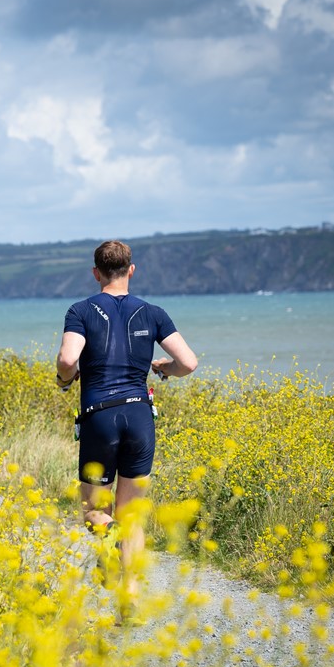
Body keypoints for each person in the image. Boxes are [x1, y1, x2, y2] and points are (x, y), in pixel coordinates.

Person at [56, 240, 197, 613]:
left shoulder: (81, 310)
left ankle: (109, 539)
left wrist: (65, 379)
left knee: (93, 512)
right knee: (131, 512)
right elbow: (189, 363)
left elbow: (69, 358)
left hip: (100, 418)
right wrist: (165, 368)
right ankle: (130, 596)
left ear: (95, 272)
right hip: (139, 416)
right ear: (131, 270)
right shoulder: (152, 313)